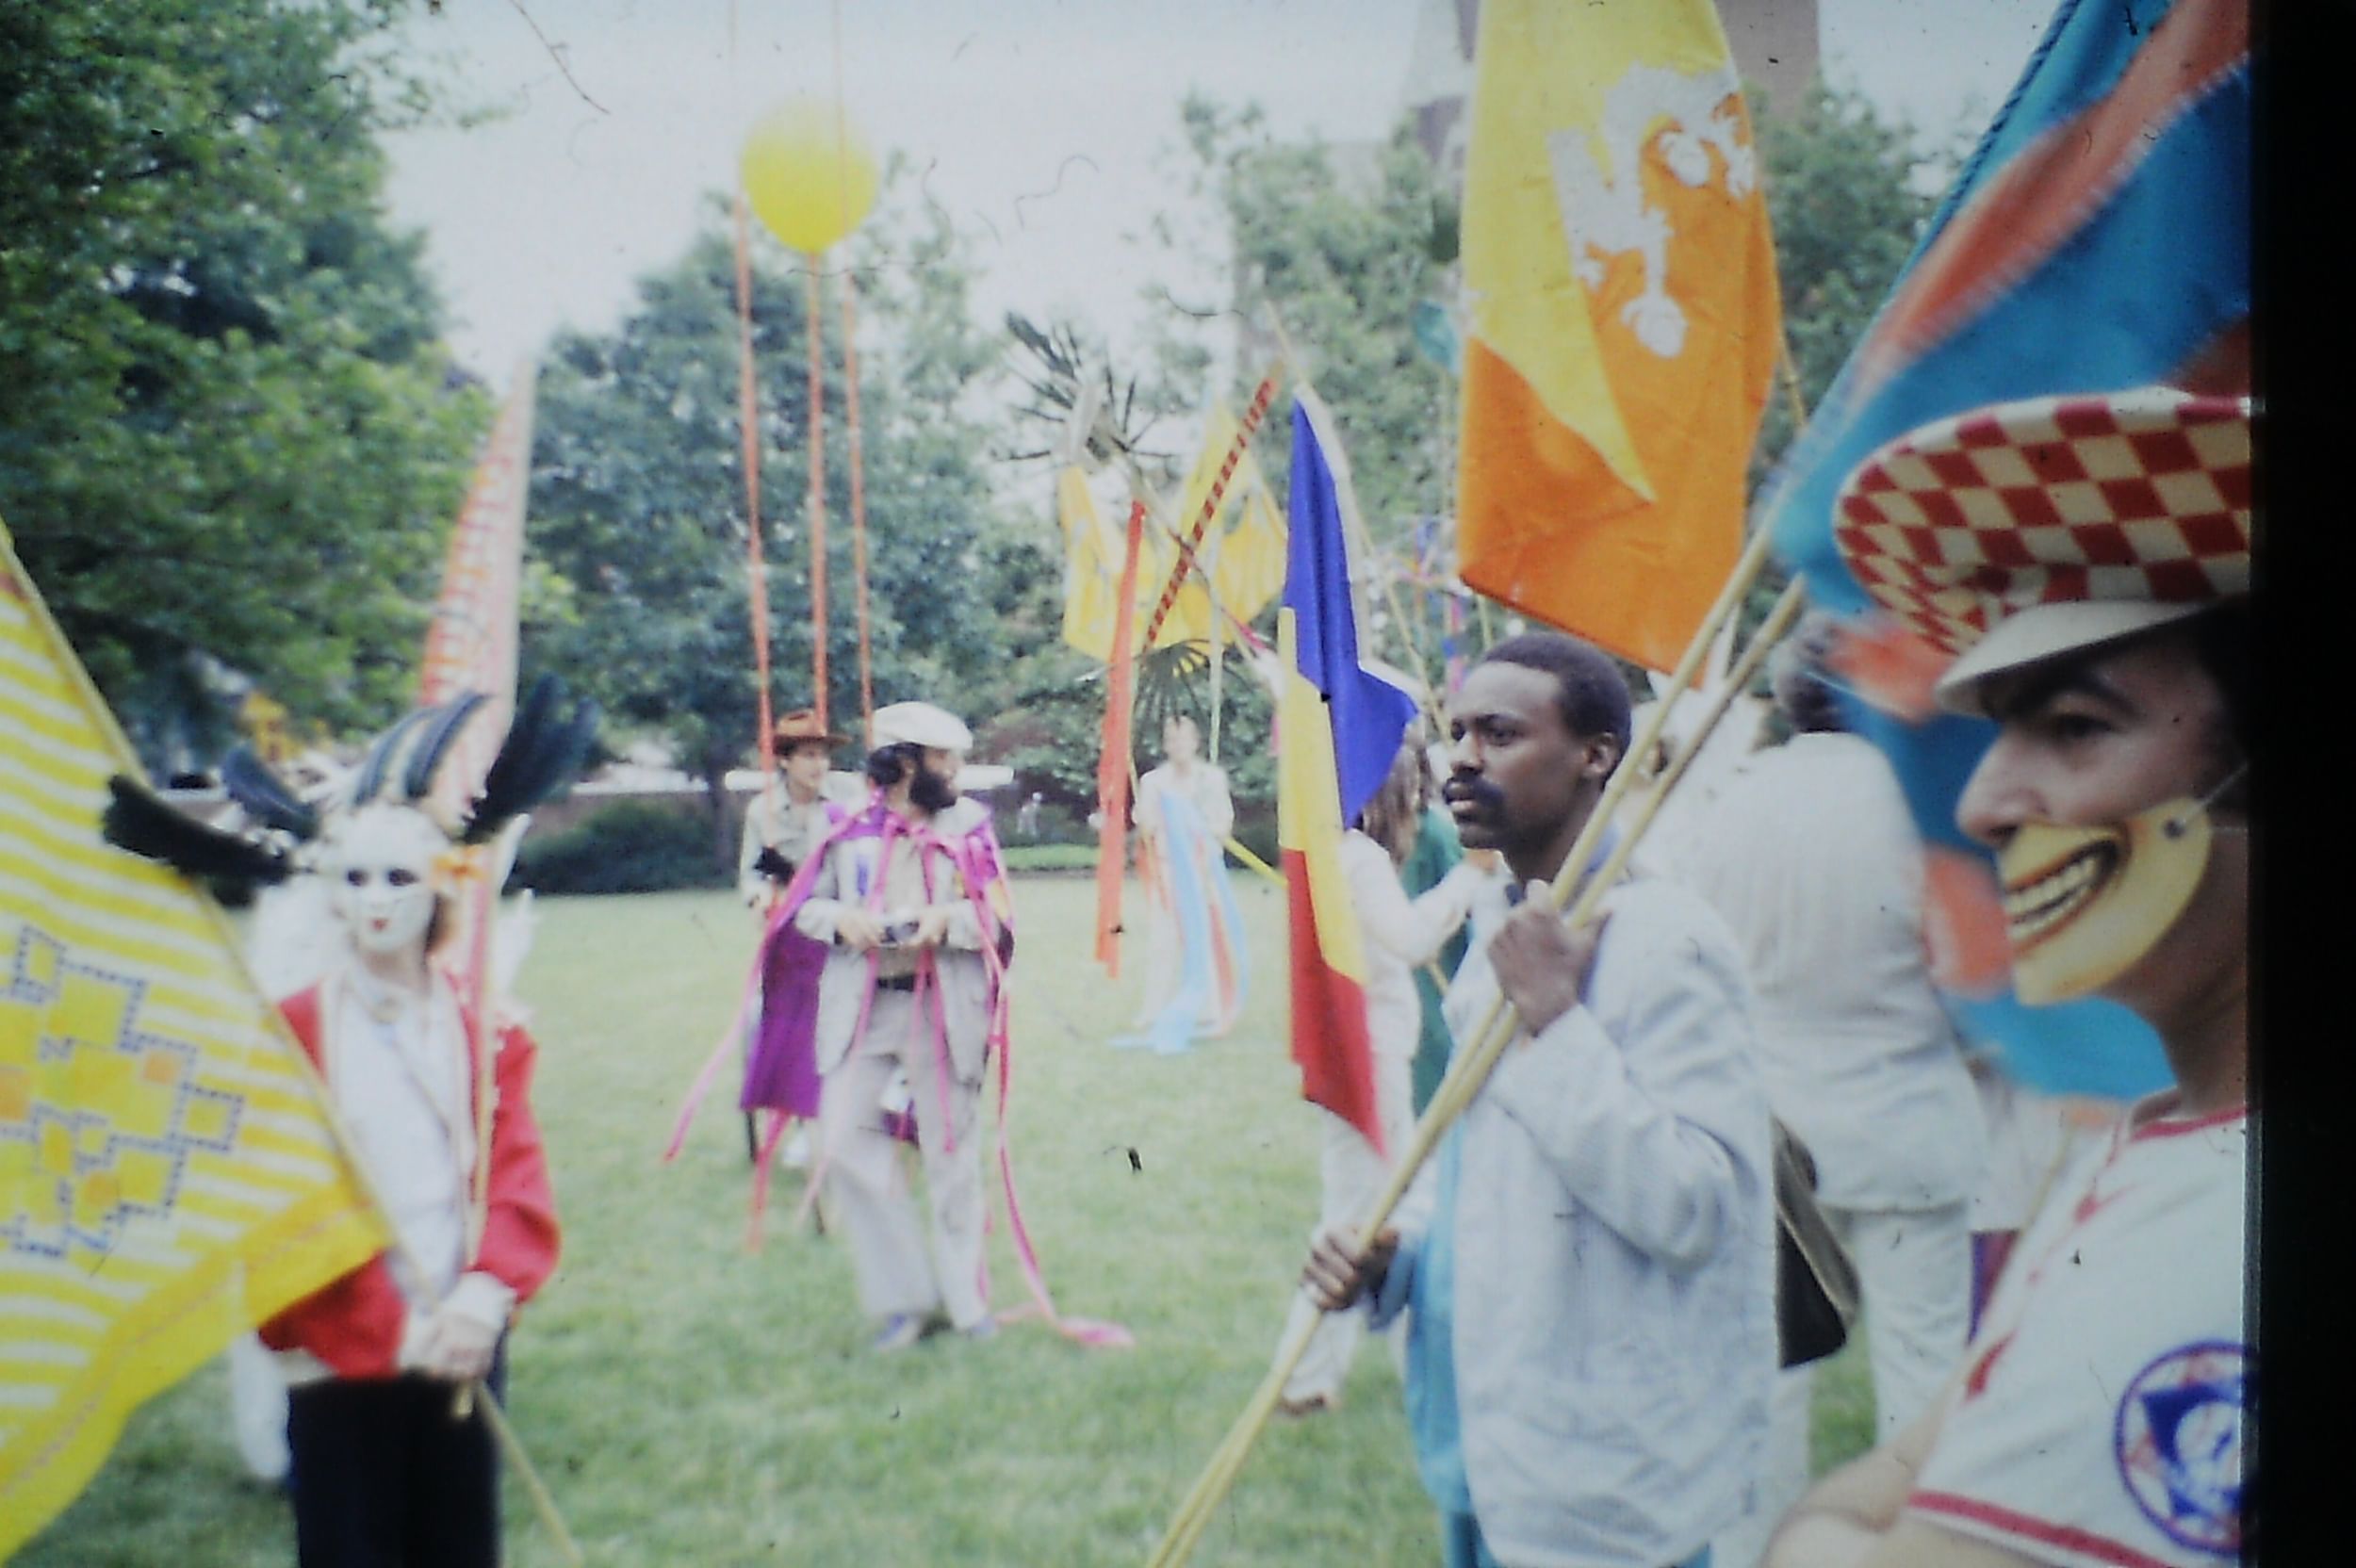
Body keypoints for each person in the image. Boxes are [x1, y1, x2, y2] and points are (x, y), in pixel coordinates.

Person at [1763, 386, 2251, 1566]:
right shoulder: (2159, 1145)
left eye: (2074, 727)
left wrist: (1823, 1531)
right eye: (1998, 732)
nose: (1982, 804)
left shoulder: (2217, 1240)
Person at [1305, 631, 1774, 1568]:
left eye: (1501, 733)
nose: (1464, 758)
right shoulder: (1507, 933)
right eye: (1459, 732)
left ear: (1596, 753)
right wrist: (1395, 1265)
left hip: (1607, 1488)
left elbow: (1696, 1208)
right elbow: (1509, 1200)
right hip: (1491, 1455)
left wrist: (1557, 1022)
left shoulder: (1668, 938)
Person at [1667, 613, 1988, 1568]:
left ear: (1789, 697)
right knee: (1923, 1379)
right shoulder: (1920, 809)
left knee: (1766, 1385)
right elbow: (1969, 989)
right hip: (1904, 1127)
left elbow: (1695, 963)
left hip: (1772, 1140)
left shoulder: (1728, 802)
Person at [1275, 744, 1497, 1416]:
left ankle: (1401, 1359)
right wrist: (1469, 879)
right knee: (1358, 1222)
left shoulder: (1327, 850)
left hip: (1361, 1052)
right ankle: (1303, 1378)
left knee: (1397, 1211)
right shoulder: (1360, 857)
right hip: (1367, 1059)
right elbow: (1406, 939)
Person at [792, 701, 1012, 1351]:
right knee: (842, 1139)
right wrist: (841, 920)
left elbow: (998, 919)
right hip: (861, 1008)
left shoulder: (971, 825)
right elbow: (804, 907)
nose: (958, 770)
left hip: (942, 1009)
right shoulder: (842, 823)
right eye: (945, 759)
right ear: (906, 762)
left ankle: (968, 1306)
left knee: (952, 1158)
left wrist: (948, 920)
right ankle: (904, 1298)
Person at [736, 710, 856, 1168]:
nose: (818, 764)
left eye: (823, 755)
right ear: (784, 760)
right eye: (807, 755)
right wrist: (761, 898)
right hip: (793, 936)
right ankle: (804, 1124)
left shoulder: (849, 794)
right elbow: (749, 876)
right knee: (794, 1026)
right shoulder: (762, 810)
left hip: (846, 926)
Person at [1126, 712, 1242, 1046]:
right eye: (1172, 739)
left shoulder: (1212, 779)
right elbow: (1145, 824)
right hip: (1167, 869)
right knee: (1162, 940)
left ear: (1195, 742)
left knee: (1204, 936)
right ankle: (1153, 1009)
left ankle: (1210, 1007)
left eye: (1184, 738)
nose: (1178, 746)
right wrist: (1153, 819)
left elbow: (1223, 822)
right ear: (1165, 745)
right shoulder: (1153, 782)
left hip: (1204, 869)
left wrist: (1204, 835)